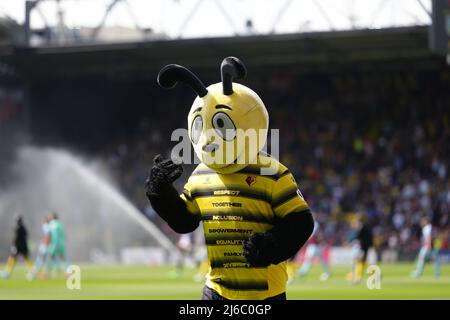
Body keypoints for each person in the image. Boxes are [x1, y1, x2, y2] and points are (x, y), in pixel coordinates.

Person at [145, 57, 314, 300]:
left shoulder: (273, 173)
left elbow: (300, 222)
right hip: (215, 292)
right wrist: (160, 192)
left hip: (265, 295)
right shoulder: (201, 175)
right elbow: (185, 221)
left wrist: (271, 246)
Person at [28, 215, 51, 280]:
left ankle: (33, 274)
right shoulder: (47, 226)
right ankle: (39, 274)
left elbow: (48, 235)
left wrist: (45, 242)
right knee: (42, 261)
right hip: (45, 246)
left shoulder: (45, 226)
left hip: (44, 246)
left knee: (39, 260)